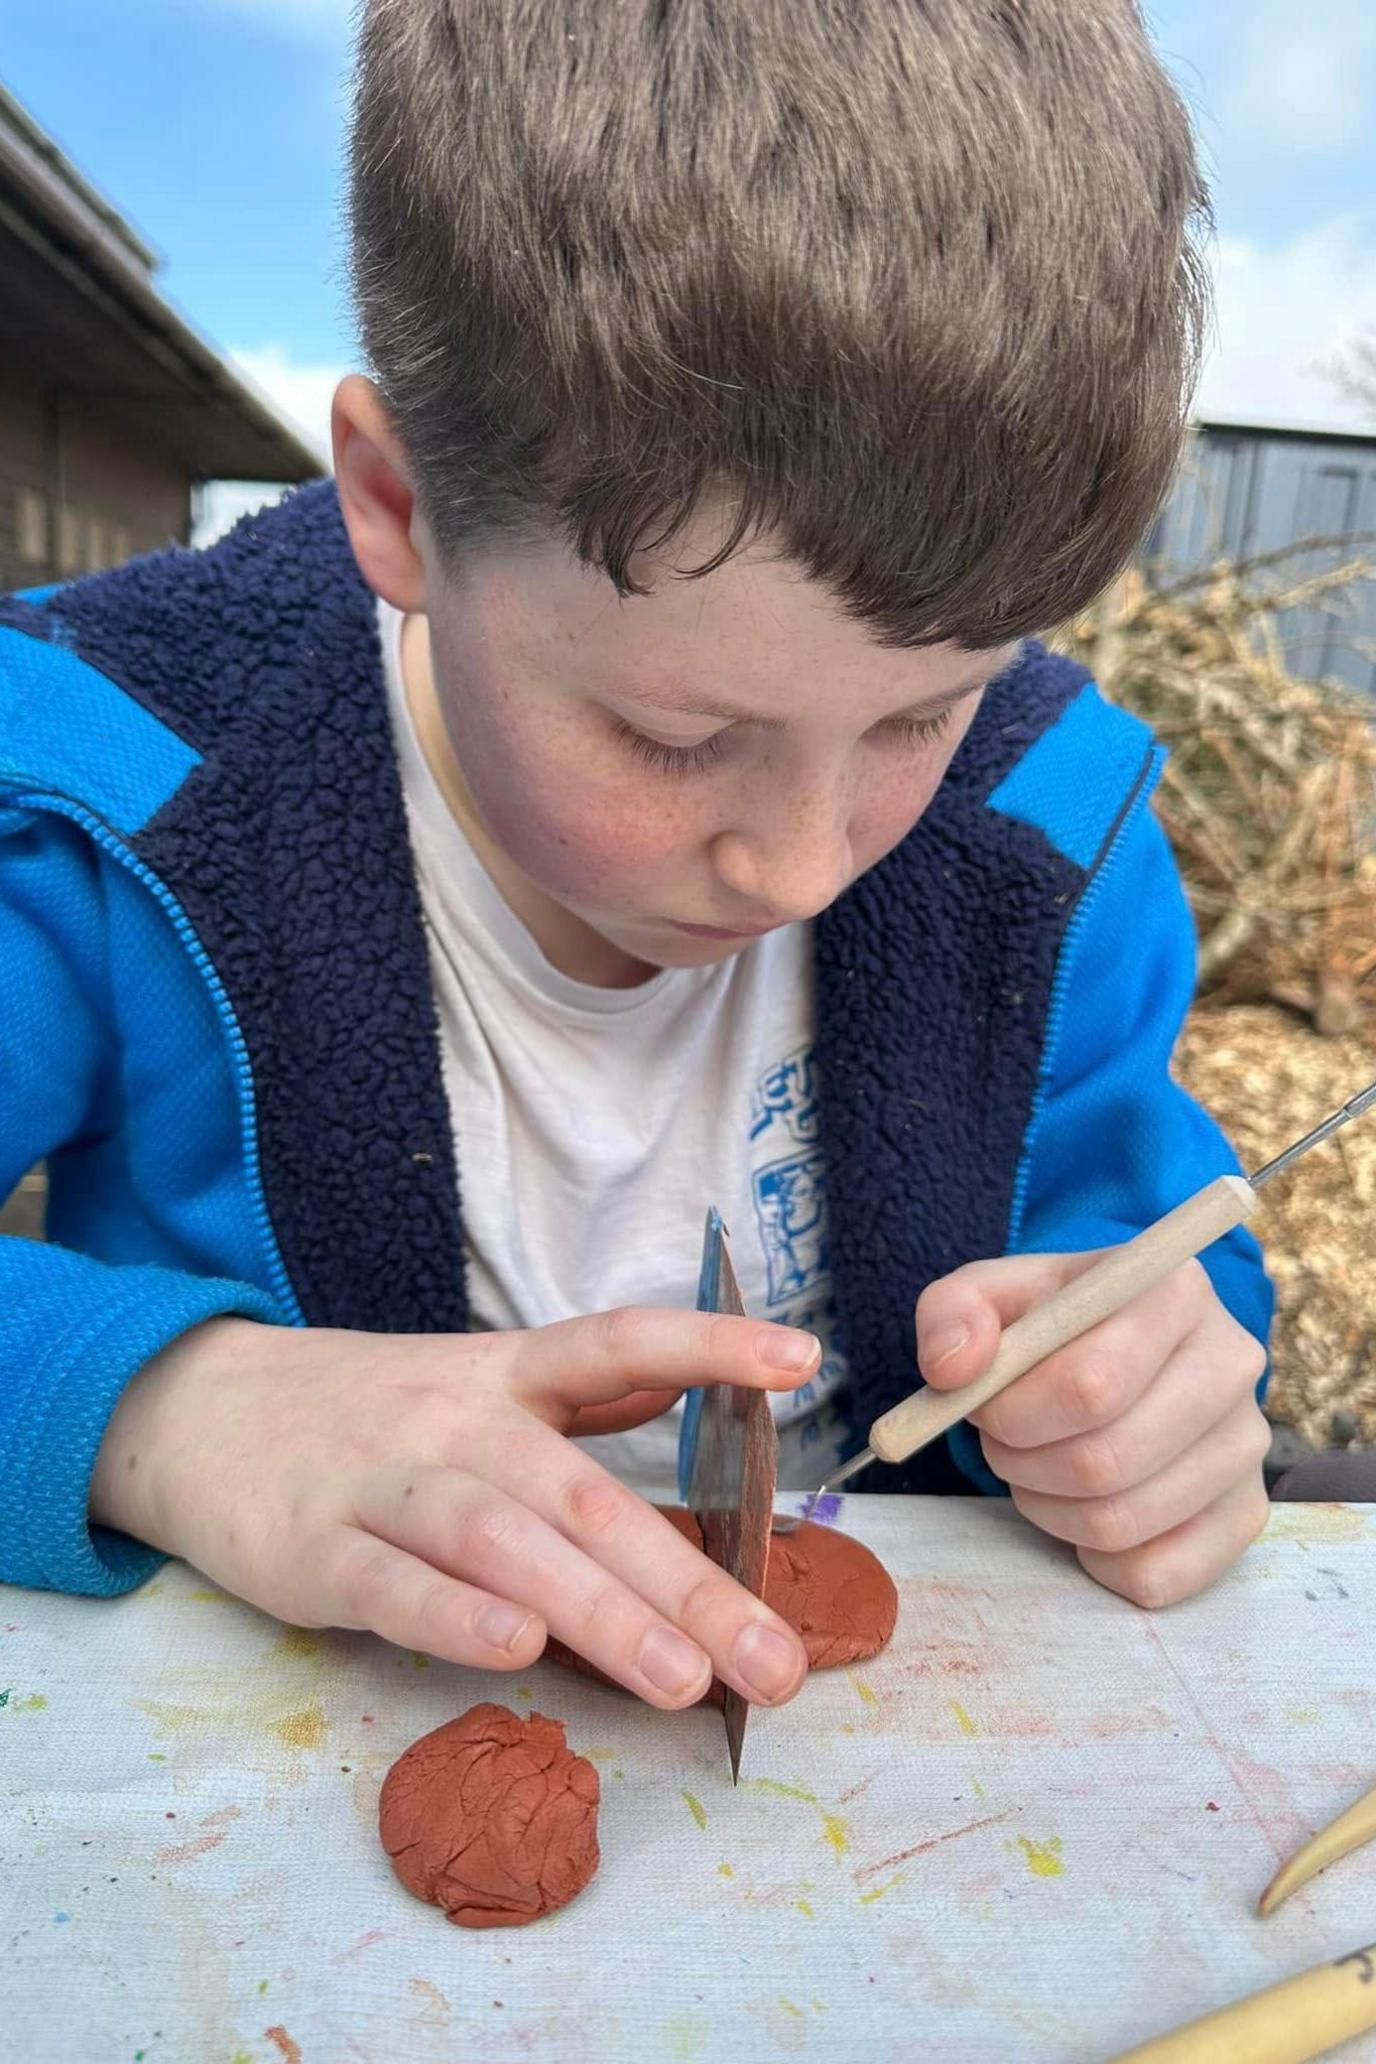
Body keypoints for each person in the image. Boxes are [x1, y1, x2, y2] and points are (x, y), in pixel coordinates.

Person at [0, 0, 1274, 1713]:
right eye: (677, 739)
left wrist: (1156, 1386)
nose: (804, 867)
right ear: (398, 508)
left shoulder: (1048, 844)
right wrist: (166, 1411)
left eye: (926, 715)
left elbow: (1144, 1234)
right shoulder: (106, 797)